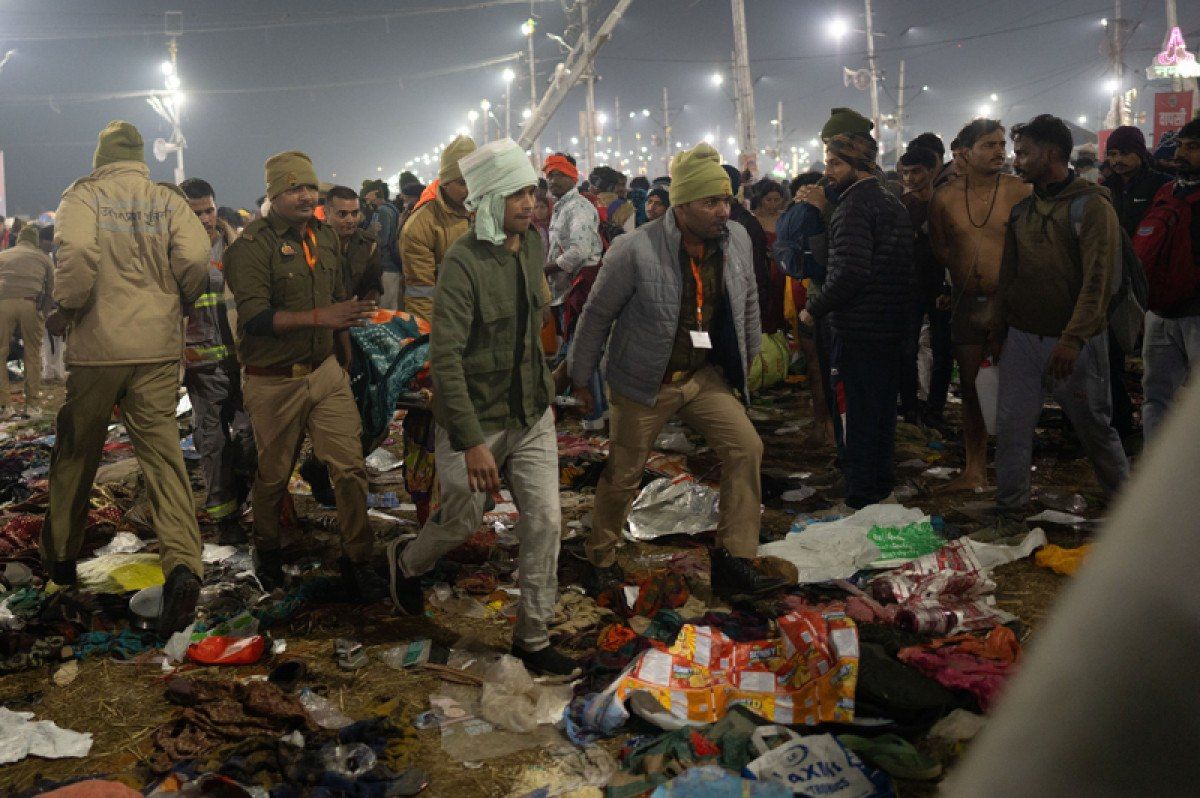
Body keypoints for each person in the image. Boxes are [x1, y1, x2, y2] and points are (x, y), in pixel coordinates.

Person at [386, 139, 577, 676]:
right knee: (463, 519)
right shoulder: (463, 265)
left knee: (546, 522)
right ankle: (406, 561)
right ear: (489, 199)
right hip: (476, 418)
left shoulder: (534, 246)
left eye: (531, 192)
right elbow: (445, 358)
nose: (528, 203)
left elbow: (535, 330)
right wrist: (471, 441)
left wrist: (550, 389)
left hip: (530, 414)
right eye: (515, 194)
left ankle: (532, 638)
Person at [569, 142, 784, 601]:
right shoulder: (634, 249)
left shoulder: (737, 241)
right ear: (682, 204)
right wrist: (580, 379)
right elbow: (595, 317)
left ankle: (734, 559)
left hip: (701, 376)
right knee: (624, 473)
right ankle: (600, 558)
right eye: (711, 202)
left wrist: (744, 369)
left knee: (746, 449)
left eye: (726, 200)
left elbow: (747, 304)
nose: (723, 211)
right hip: (643, 382)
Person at [43, 121, 210, 635]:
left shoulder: (84, 196)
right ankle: (183, 564)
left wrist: (67, 308)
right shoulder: (166, 199)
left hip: (98, 346)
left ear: (100, 156)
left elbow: (74, 257)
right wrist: (177, 301)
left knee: (77, 450)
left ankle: (62, 561)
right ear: (141, 157)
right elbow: (198, 256)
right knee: (162, 454)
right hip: (157, 347)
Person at [224, 150, 387, 601]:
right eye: (294, 188)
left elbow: (338, 299)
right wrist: (321, 317)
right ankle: (268, 550)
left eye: (309, 187)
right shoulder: (250, 247)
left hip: (326, 372)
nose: (304, 195)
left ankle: (359, 557)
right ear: (275, 194)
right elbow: (255, 318)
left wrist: (345, 345)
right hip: (273, 378)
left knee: (350, 468)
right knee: (274, 475)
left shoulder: (325, 237)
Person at [990, 114, 1129, 533]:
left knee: (1093, 428)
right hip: (1022, 338)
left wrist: (1072, 340)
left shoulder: (1092, 206)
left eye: (1024, 152)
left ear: (1050, 154)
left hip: (1076, 343)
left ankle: (1129, 510)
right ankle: (1010, 511)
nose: (1016, 160)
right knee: (1012, 426)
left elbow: (1098, 282)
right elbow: (1007, 278)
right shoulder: (1023, 210)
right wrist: (1000, 333)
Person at [799, 130, 914, 509]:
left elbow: (849, 272)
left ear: (859, 165)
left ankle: (862, 495)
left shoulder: (852, 206)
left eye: (835, 163)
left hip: (861, 328)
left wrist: (813, 308)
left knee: (859, 416)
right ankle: (880, 485)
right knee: (881, 415)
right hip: (891, 327)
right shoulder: (889, 200)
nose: (827, 172)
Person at [928, 119, 1031, 493]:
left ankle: (1012, 471)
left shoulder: (1021, 190)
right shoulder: (945, 197)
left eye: (1001, 144)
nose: (999, 151)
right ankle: (975, 469)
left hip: (1012, 304)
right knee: (971, 388)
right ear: (966, 153)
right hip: (966, 302)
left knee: (1015, 389)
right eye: (988, 145)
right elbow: (940, 246)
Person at [178, 177, 256, 540]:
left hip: (242, 359)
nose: (206, 218)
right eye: (196, 213)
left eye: (208, 210)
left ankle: (244, 494)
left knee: (249, 435)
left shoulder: (238, 247)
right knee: (211, 441)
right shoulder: (175, 255)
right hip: (201, 364)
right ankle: (225, 519)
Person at [298, 184, 384, 507]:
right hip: (319, 340)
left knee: (368, 415)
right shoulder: (312, 242)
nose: (350, 220)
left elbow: (373, 288)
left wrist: (362, 315)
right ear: (327, 213)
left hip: (354, 337)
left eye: (354, 213)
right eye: (342, 214)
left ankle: (320, 469)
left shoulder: (368, 245)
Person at [1102, 125, 1173, 442]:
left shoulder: (1161, 185)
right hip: (1117, 282)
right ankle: (1122, 424)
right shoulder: (1107, 187)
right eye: (1113, 154)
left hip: (1155, 284)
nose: (1118, 160)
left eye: (1125, 153)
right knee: (1113, 354)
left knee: (1157, 363)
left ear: (1140, 153)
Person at [1139, 117, 1200, 442]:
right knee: (1156, 397)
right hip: (1160, 314)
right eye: (1180, 146)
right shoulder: (1168, 190)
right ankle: (1155, 478)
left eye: (1192, 148)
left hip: (1195, 315)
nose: (1181, 154)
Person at [898, 147, 953, 429]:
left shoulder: (946, 204)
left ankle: (935, 409)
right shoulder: (900, 205)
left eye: (916, 171)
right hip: (908, 288)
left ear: (932, 171)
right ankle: (910, 408)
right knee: (906, 349)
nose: (910, 178)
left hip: (941, 288)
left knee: (944, 350)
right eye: (905, 172)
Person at [400, 135, 475, 324]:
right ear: (445, 182)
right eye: (463, 183)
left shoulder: (489, 209)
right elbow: (421, 295)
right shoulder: (420, 226)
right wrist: (429, 342)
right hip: (449, 325)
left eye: (475, 179)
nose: (471, 189)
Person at [0, 224, 52, 416]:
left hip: (3, 303)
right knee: (32, 354)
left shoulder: (3, 255)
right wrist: (43, 315)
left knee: (0, 354)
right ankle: (33, 405)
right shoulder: (43, 258)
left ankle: (5, 406)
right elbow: (50, 292)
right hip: (30, 304)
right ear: (35, 240)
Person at [752, 179, 788, 334]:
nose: (773, 204)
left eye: (777, 200)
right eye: (769, 200)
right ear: (761, 200)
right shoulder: (753, 220)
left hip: (784, 271)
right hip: (763, 271)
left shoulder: (786, 218)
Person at [361, 180, 403, 309]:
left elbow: (382, 240)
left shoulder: (383, 211)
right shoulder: (390, 209)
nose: (365, 197)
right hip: (390, 267)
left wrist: (370, 234)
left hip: (387, 267)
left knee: (386, 309)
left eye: (367, 193)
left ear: (375, 193)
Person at [590, 166, 636, 233]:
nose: (589, 188)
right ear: (613, 186)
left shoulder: (586, 205)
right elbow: (629, 237)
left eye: (591, 185)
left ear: (595, 187)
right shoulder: (627, 208)